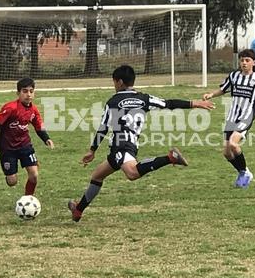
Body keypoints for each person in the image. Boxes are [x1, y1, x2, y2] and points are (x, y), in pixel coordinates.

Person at [67, 65, 214, 222]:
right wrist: (194, 103)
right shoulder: (144, 98)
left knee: (132, 173)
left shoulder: (113, 101)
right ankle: (78, 210)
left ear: (120, 82)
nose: (114, 85)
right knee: (97, 176)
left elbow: (103, 127)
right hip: (129, 145)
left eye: (114, 82)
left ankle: (170, 157)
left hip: (120, 145)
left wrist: (92, 150)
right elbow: (168, 103)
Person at [203, 48, 255, 188]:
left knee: (233, 143)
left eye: (247, 60)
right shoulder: (234, 76)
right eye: (242, 60)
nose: (244, 63)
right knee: (226, 152)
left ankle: (244, 173)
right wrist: (211, 94)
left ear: (254, 63)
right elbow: (223, 89)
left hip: (247, 115)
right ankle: (244, 172)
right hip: (232, 115)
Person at [0, 77, 54, 196]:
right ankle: (9, 176)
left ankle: (28, 199)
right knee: (12, 181)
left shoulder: (34, 110)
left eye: (31, 91)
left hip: (25, 146)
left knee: (34, 175)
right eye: (25, 91)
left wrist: (46, 139)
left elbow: (38, 126)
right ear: (18, 93)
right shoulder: (11, 108)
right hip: (8, 148)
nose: (28, 94)